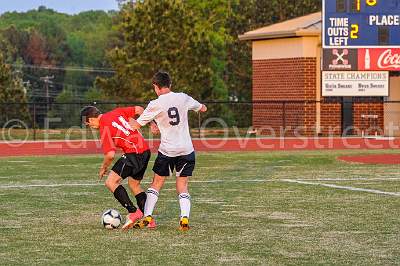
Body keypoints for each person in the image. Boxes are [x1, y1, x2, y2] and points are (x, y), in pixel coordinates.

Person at [130, 71, 207, 231]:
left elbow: (137, 125)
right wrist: (200, 107)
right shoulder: (183, 97)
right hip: (186, 149)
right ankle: (184, 218)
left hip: (167, 150)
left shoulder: (155, 104)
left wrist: (132, 121)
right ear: (170, 85)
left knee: (157, 183)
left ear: (155, 87)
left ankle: (147, 216)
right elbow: (202, 108)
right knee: (183, 185)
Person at [80, 105, 155, 229]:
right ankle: (149, 220)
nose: (91, 127)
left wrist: (103, 167)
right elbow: (139, 109)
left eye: (88, 124)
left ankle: (133, 212)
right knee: (134, 184)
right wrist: (151, 123)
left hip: (134, 153)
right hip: (145, 151)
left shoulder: (104, 127)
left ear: (92, 119)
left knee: (111, 182)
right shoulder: (117, 111)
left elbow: (110, 155)